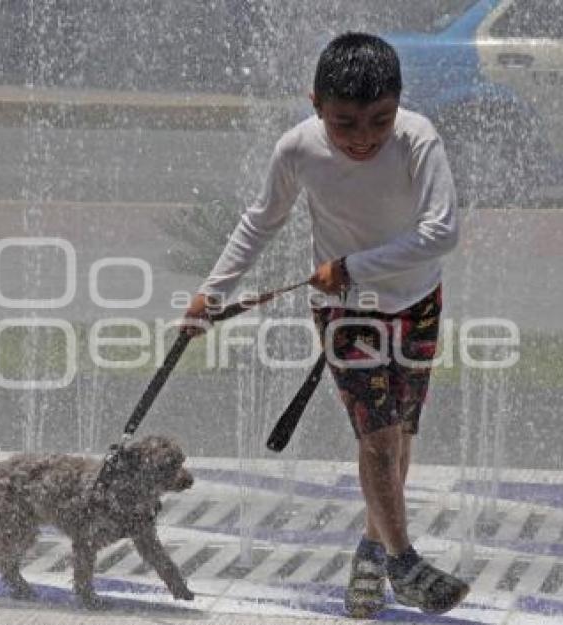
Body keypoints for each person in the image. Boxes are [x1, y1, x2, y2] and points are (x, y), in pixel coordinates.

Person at [181, 33, 469, 617]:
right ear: (316, 103)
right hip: (346, 312)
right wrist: (211, 295)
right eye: (345, 123)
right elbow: (260, 222)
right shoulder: (297, 150)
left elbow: (443, 232)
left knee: (401, 436)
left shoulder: (418, 139)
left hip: (417, 303)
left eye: (378, 120)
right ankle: (405, 563)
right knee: (379, 438)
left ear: (398, 103)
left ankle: (371, 550)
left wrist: (351, 264)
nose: (363, 138)